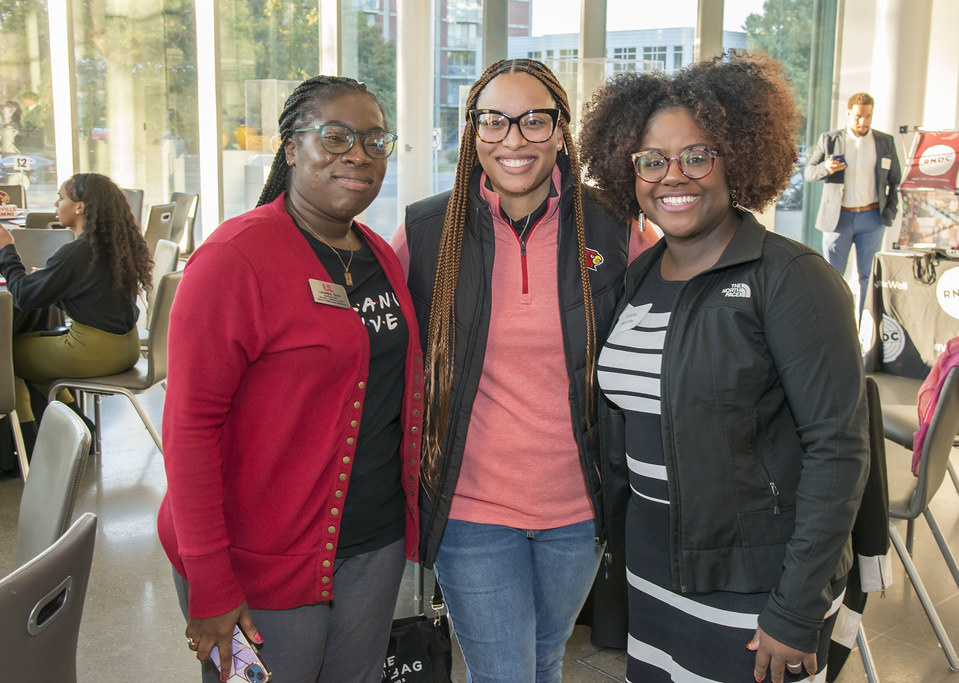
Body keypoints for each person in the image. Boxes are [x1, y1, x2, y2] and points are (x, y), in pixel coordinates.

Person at [580, 52, 869, 683]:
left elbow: (838, 450)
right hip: (653, 571)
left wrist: (795, 609)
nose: (672, 175)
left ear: (735, 158)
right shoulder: (640, 277)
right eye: (651, 160)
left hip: (756, 586)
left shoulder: (790, 278)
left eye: (697, 155)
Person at [390, 58, 655, 682]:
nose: (514, 139)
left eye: (535, 120)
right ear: (472, 131)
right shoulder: (429, 231)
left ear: (561, 130)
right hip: (472, 508)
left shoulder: (613, 226)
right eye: (494, 121)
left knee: (541, 658)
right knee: (505, 672)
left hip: (578, 509)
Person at [157, 76, 424, 682]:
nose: (357, 153)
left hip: (372, 545)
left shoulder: (378, 254)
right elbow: (190, 430)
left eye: (375, 140)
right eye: (334, 137)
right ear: (290, 149)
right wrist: (210, 579)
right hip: (261, 560)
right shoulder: (235, 258)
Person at [0, 173, 152, 448]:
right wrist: (52, 281)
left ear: (80, 206)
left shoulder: (76, 253)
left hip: (94, 353)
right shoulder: (110, 246)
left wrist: (6, 250)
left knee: (6, 358)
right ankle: (81, 426)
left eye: (61, 198)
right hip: (124, 349)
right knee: (29, 347)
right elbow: (91, 296)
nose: (57, 204)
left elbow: (22, 296)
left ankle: (28, 444)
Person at [804, 92, 901, 311]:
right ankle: (834, 324)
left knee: (868, 278)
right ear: (849, 113)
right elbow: (808, 173)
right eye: (858, 116)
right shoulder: (830, 140)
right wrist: (826, 168)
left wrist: (889, 214)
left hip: (872, 218)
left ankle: (863, 329)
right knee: (832, 277)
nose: (863, 121)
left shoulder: (885, 142)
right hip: (839, 218)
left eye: (868, 116)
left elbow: (895, 181)